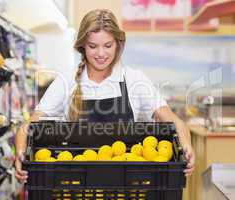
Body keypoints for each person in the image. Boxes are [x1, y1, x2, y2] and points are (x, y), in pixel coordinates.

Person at [15, 9, 195, 183]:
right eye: (93, 46)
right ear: (83, 47)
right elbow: (28, 126)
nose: (101, 54)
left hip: (127, 183)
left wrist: (185, 146)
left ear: (118, 44)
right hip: (76, 184)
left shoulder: (134, 79)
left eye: (108, 45)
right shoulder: (66, 81)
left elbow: (174, 122)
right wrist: (21, 154)